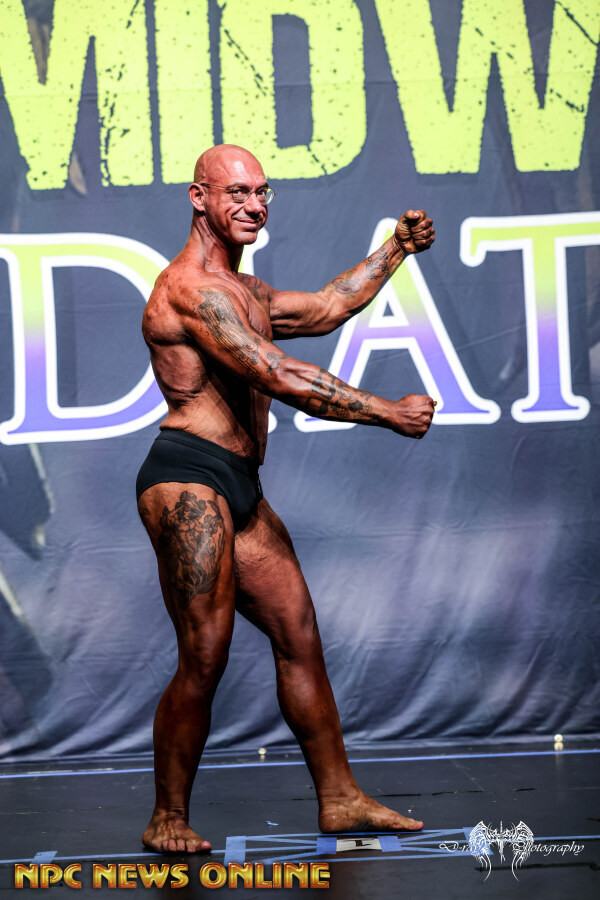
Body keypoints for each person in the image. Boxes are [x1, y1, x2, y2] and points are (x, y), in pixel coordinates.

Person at [136, 144, 436, 854]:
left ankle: (341, 798)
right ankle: (167, 816)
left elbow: (330, 307)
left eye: (262, 193)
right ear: (199, 197)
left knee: (298, 635)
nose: (253, 205)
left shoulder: (247, 290)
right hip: (188, 480)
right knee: (205, 652)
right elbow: (275, 372)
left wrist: (396, 248)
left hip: (240, 483)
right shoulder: (192, 290)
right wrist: (385, 411)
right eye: (236, 192)